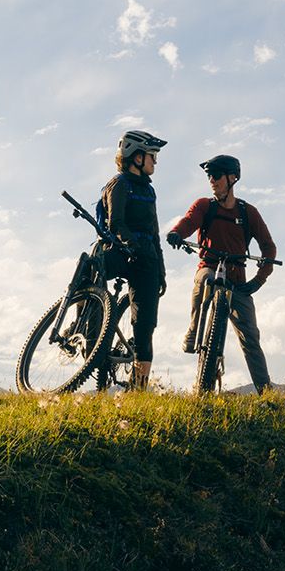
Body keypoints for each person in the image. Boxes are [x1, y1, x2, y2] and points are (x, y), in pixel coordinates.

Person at [168, 153, 276, 393]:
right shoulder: (204, 206)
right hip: (209, 266)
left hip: (238, 280)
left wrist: (258, 281)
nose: (211, 180)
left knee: (251, 337)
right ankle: (195, 328)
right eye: (209, 176)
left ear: (232, 178)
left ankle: (266, 391)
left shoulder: (248, 213)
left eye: (216, 175)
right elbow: (189, 221)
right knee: (205, 279)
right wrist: (177, 233)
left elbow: (269, 247)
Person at [97, 129, 169, 388]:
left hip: (146, 259)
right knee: (91, 267)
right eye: (152, 156)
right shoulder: (118, 184)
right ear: (136, 157)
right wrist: (132, 245)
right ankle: (85, 326)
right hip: (121, 252)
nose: (155, 161)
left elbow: (155, 233)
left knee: (145, 325)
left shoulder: (149, 192)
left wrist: (160, 269)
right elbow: (116, 223)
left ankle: (138, 387)